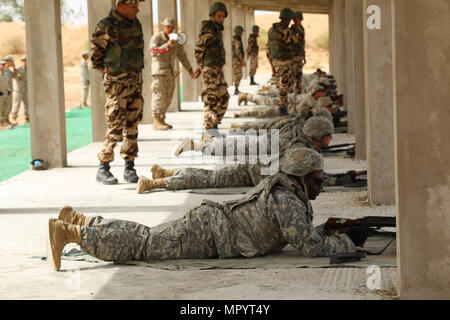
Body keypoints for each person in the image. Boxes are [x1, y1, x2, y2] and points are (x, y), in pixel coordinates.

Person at [47, 148, 365, 271]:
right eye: (319, 180)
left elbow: (302, 233)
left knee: (146, 235)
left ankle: (83, 221)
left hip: (210, 224)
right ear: (301, 177)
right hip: (209, 233)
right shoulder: (288, 201)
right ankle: (73, 233)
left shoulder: (285, 189)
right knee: (143, 245)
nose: (323, 186)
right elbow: (310, 246)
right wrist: (346, 241)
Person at [137, 116, 333, 192]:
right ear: (320, 135)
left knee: (210, 177)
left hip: (257, 169)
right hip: (258, 173)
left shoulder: (300, 140)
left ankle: (166, 173)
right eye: (328, 136)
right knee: (209, 179)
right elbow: (316, 178)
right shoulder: (304, 151)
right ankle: (155, 183)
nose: (331, 139)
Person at [90, 0, 145, 185]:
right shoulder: (107, 25)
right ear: (122, 6)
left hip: (135, 83)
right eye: (133, 6)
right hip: (116, 85)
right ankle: (103, 167)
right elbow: (95, 56)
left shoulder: (136, 24)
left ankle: (129, 166)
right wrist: (111, 75)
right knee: (115, 124)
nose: (137, 10)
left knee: (133, 123)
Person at [150, 18, 199, 130]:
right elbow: (153, 51)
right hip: (159, 72)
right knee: (159, 96)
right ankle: (156, 120)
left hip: (170, 72)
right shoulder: (157, 38)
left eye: (172, 27)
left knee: (168, 97)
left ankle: (162, 119)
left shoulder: (176, 40)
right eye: (168, 27)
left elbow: (182, 56)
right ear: (164, 27)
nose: (170, 29)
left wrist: (190, 71)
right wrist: (167, 45)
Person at [194, 1, 230, 138]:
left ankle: (214, 125)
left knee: (224, 98)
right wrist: (201, 66)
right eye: (219, 16)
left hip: (217, 69)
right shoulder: (209, 29)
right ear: (212, 16)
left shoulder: (217, 30)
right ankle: (210, 130)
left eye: (223, 16)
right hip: (209, 70)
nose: (221, 19)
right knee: (211, 99)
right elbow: (198, 48)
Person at [267, 8, 295, 116]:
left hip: (275, 61)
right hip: (285, 62)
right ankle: (282, 109)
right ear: (288, 19)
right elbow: (291, 46)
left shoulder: (271, 30)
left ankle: (282, 107)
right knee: (284, 86)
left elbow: (268, 48)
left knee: (280, 85)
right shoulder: (286, 31)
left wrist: (271, 65)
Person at [290, 11, 306, 94]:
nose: (299, 21)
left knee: (299, 74)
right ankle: (291, 93)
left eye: (300, 19)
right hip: (292, 55)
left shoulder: (302, 29)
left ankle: (298, 91)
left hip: (299, 55)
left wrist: (303, 54)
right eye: (297, 19)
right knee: (292, 74)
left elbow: (302, 42)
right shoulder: (291, 30)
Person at [232, 25, 245, 95]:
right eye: (241, 32)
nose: (242, 34)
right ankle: (236, 89)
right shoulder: (237, 40)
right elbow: (238, 52)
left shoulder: (236, 39)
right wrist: (242, 61)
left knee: (239, 75)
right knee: (238, 75)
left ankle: (236, 89)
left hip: (236, 60)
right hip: (236, 61)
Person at [0, 59, 12, 126]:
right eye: (2, 64)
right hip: (0, 94)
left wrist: (9, 90)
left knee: (7, 107)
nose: (3, 66)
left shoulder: (5, 73)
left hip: (6, 93)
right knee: (0, 108)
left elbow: (7, 83)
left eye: (4, 64)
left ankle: (4, 121)